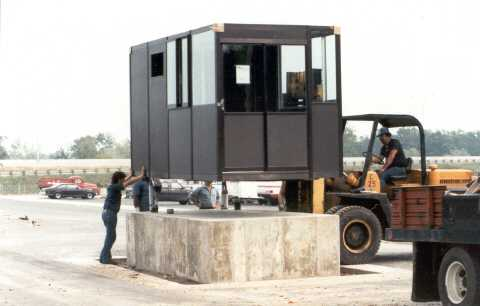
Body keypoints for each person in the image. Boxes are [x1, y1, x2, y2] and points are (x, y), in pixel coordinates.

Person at [100, 166, 145, 264]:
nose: (123, 180)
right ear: (119, 179)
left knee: (110, 235)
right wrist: (140, 176)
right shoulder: (115, 187)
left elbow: (125, 181)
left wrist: (130, 175)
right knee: (111, 236)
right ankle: (104, 258)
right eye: (122, 179)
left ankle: (105, 257)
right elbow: (127, 183)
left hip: (107, 213)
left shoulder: (113, 185)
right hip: (110, 213)